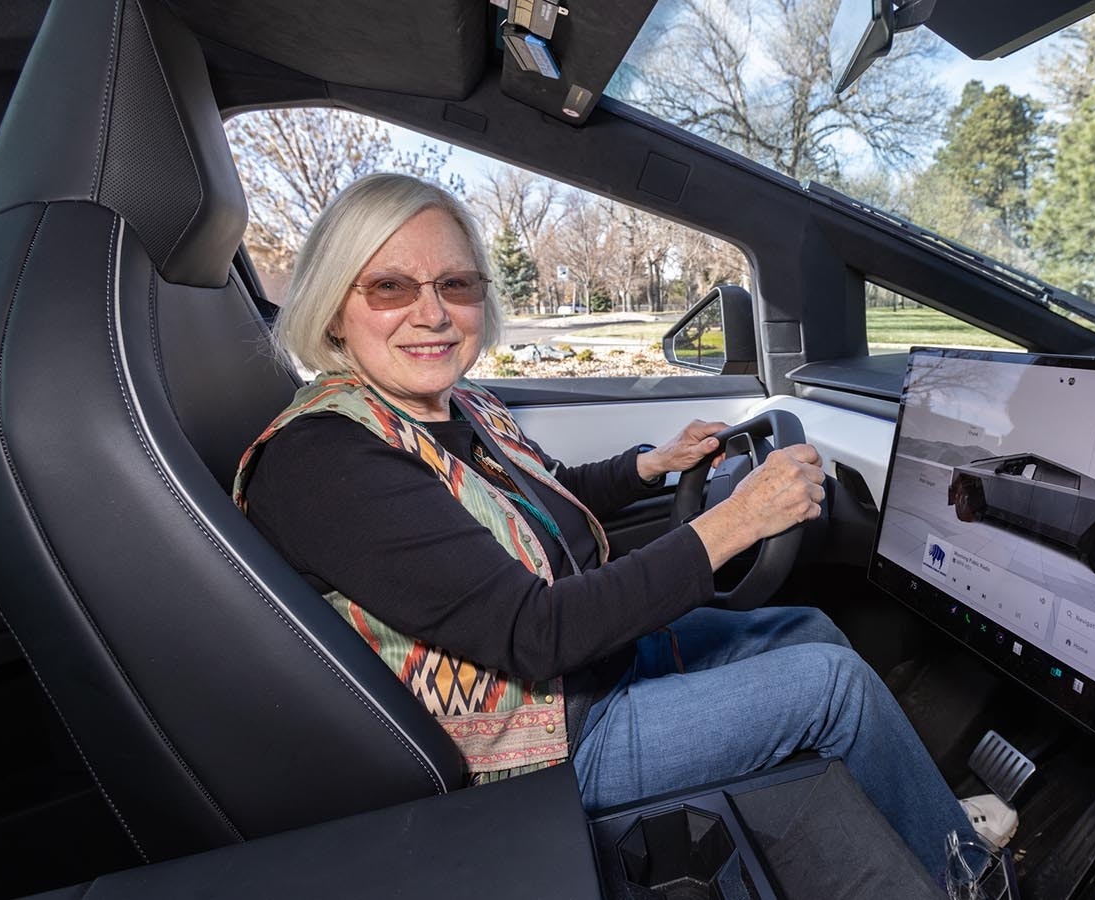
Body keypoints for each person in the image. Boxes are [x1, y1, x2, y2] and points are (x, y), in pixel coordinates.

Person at [233, 172, 980, 876]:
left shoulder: (455, 407)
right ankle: (963, 872)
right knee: (834, 686)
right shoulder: (327, 459)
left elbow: (542, 496)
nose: (432, 314)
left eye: (455, 284)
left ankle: (908, 815)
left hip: (588, 673)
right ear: (334, 304)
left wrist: (651, 465)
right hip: (541, 746)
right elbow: (537, 632)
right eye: (391, 286)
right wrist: (736, 520)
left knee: (807, 628)